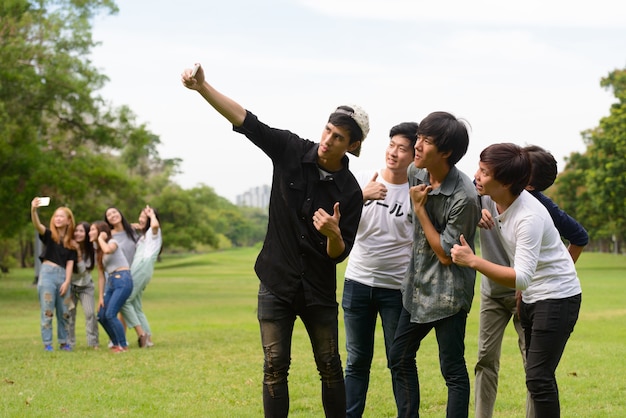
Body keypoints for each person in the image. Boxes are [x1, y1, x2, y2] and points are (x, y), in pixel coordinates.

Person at [182, 63, 367, 418]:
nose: (327, 140)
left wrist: (331, 234)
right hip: (276, 283)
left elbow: (338, 254)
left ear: (352, 145)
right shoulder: (290, 150)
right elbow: (247, 121)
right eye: (328, 131)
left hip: (318, 289)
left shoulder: (350, 191)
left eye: (338, 138)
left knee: (330, 365)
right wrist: (204, 88)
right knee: (274, 366)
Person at [451, 143, 582, 418]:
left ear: (507, 182)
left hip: (557, 298)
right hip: (533, 297)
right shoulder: (498, 199)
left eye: (485, 172)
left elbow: (521, 277)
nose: (477, 175)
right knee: (539, 377)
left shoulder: (529, 215)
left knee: (537, 377)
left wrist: (472, 260)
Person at [387, 111, 481, 418]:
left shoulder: (464, 197)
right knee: (399, 356)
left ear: (447, 152)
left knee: (452, 368)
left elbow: (446, 254)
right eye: (419, 137)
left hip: (449, 293)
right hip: (416, 286)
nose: (417, 145)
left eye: (427, 141)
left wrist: (420, 209)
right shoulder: (417, 171)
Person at [341, 122, 418, 417]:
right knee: (356, 361)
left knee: (399, 361)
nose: (394, 153)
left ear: (414, 155)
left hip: (396, 289)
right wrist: (361, 195)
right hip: (357, 282)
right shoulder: (362, 179)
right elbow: (335, 217)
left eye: (402, 148)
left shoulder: (417, 192)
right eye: (391, 145)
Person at [30, 198, 78, 352]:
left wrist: (67, 281)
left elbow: (70, 263)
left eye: (61, 216)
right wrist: (33, 210)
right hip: (47, 276)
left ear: (69, 220)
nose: (57, 218)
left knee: (65, 312)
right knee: (47, 311)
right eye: (56, 216)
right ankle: (48, 343)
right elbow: (37, 225)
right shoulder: (49, 235)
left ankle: (64, 342)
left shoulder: (72, 242)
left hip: (63, 277)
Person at [121, 206, 162, 348]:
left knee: (124, 300)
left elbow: (155, 225)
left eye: (145, 217)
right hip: (138, 268)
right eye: (141, 216)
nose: (141, 219)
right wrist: (135, 225)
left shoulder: (154, 232)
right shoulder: (144, 236)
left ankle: (141, 335)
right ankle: (148, 339)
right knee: (136, 305)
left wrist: (151, 215)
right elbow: (131, 226)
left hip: (142, 267)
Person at [90, 220, 133, 353]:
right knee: (102, 315)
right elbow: (101, 276)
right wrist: (101, 297)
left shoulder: (112, 242)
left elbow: (108, 250)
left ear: (101, 232)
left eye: (92, 230)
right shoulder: (98, 252)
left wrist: (101, 239)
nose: (89, 232)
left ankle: (123, 345)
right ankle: (116, 343)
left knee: (110, 314)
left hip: (123, 279)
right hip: (111, 283)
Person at [68, 221, 100, 349]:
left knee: (90, 313)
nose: (78, 233)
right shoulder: (68, 246)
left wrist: (78, 252)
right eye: (76, 231)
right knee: (69, 314)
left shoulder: (92, 249)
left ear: (86, 234)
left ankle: (93, 342)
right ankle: (69, 343)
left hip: (85, 286)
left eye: (81, 231)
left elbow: (82, 271)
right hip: (69, 285)